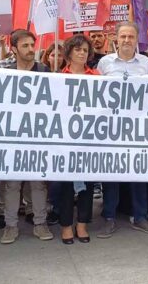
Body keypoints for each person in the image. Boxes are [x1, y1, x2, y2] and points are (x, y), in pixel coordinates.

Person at [97, 22, 148, 237]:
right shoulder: (104, 63)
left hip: (137, 129)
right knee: (111, 175)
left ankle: (140, 216)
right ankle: (109, 217)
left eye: (130, 37)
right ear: (116, 38)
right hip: (111, 129)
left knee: (138, 174)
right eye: (123, 36)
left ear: (136, 39)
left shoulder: (145, 63)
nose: (126, 40)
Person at [0, 29, 53, 244]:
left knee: (38, 183)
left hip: (38, 136)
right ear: (13, 49)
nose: (31, 49)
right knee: (12, 184)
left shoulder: (44, 71)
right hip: (12, 137)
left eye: (32, 45)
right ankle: (10, 226)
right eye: (25, 46)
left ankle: (40, 223)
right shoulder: (4, 73)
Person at [57, 34, 98, 244]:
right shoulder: (57, 77)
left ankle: (82, 224)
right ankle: (66, 226)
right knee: (65, 185)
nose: (82, 53)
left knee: (88, 184)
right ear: (69, 53)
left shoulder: (97, 76)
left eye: (85, 50)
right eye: (77, 49)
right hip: (64, 140)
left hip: (88, 140)